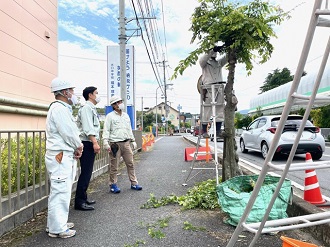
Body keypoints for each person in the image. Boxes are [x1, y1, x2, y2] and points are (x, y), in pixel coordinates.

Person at [45, 77, 84, 238]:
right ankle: (58, 229)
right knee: (60, 190)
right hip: (60, 156)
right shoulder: (60, 109)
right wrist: (79, 145)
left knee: (59, 190)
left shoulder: (60, 108)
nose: (73, 94)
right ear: (65, 92)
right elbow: (68, 133)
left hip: (60, 155)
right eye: (71, 90)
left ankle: (55, 224)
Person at [102, 95, 142, 193]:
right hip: (115, 144)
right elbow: (106, 130)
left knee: (130, 163)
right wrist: (105, 143)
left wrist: (133, 140)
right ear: (114, 105)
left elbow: (129, 129)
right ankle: (113, 184)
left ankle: (134, 183)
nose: (120, 104)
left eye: (120, 101)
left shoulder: (126, 116)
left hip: (126, 143)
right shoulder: (110, 116)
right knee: (114, 165)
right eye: (118, 102)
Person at [74, 86, 101, 211]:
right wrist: (94, 142)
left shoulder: (91, 108)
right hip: (87, 142)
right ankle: (79, 202)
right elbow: (88, 127)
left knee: (87, 172)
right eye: (96, 93)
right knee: (85, 173)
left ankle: (83, 198)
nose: (97, 95)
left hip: (89, 142)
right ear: (90, 95)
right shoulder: (86, 108)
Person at [199, 46, 227, 138]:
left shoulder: (218, 62)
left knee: (220, 109)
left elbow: (226, 58)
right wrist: (212, 50)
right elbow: (203, 59)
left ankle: (218, 130)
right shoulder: (205, 62)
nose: (215, 53)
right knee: (207, 109)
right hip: (208, 88)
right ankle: (204, 130)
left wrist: (230, 46)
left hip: (219, 87)